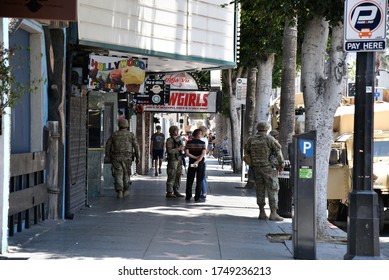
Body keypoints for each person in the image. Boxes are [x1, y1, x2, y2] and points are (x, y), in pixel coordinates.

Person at [244, 121, 284, 221]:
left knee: (260, 189)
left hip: (256, 167)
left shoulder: (251, 139)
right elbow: (278, 152)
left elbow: (246, 150)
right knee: (273, 189)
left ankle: (262, 212)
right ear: (267, 129)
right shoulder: (269, 139)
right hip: (268, 168)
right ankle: (273, 213)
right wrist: (281, 164)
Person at [105, 119, 140, 198]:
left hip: (116, 157)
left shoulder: (115, 134)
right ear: (127, 125)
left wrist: (107, 155)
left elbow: (108, 145)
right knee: (126, 173)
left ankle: (119, 191)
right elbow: (136, 146)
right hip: (127, 157)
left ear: (119, 125)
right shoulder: (131, 135)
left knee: (118, 174)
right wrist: (138, 157)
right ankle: (126, 190)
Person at [185, 129, 206, 202]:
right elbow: (203, 153)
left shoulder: (189, 143)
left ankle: (188, 196)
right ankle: (197, 197)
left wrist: (194, 159)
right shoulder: (202, 143)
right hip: (199, 163)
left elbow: (187, 153)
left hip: (192, 163)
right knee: (199, 180)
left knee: (190, 179)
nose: (201, 135)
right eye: (201, 134)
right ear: (198, 135)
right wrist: (197, 161)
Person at [165, 126, 186, 198]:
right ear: (172, 131)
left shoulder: (179, 139)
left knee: (178, 175)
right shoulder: (169, 140)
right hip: (173, 160)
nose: (177, 132)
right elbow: (169, 151)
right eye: (176, 130)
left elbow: (181, 148)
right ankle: (169, 191)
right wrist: (178, 148)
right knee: (172, 175)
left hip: (179, 159)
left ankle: (176, 190)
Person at [199, 126, 209, 200]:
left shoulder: (201, 139)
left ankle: (203, 193)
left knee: (201, 177)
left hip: (200, 159)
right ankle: (204, 192)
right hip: (204, 159)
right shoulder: (205, 139)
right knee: (203, 177)